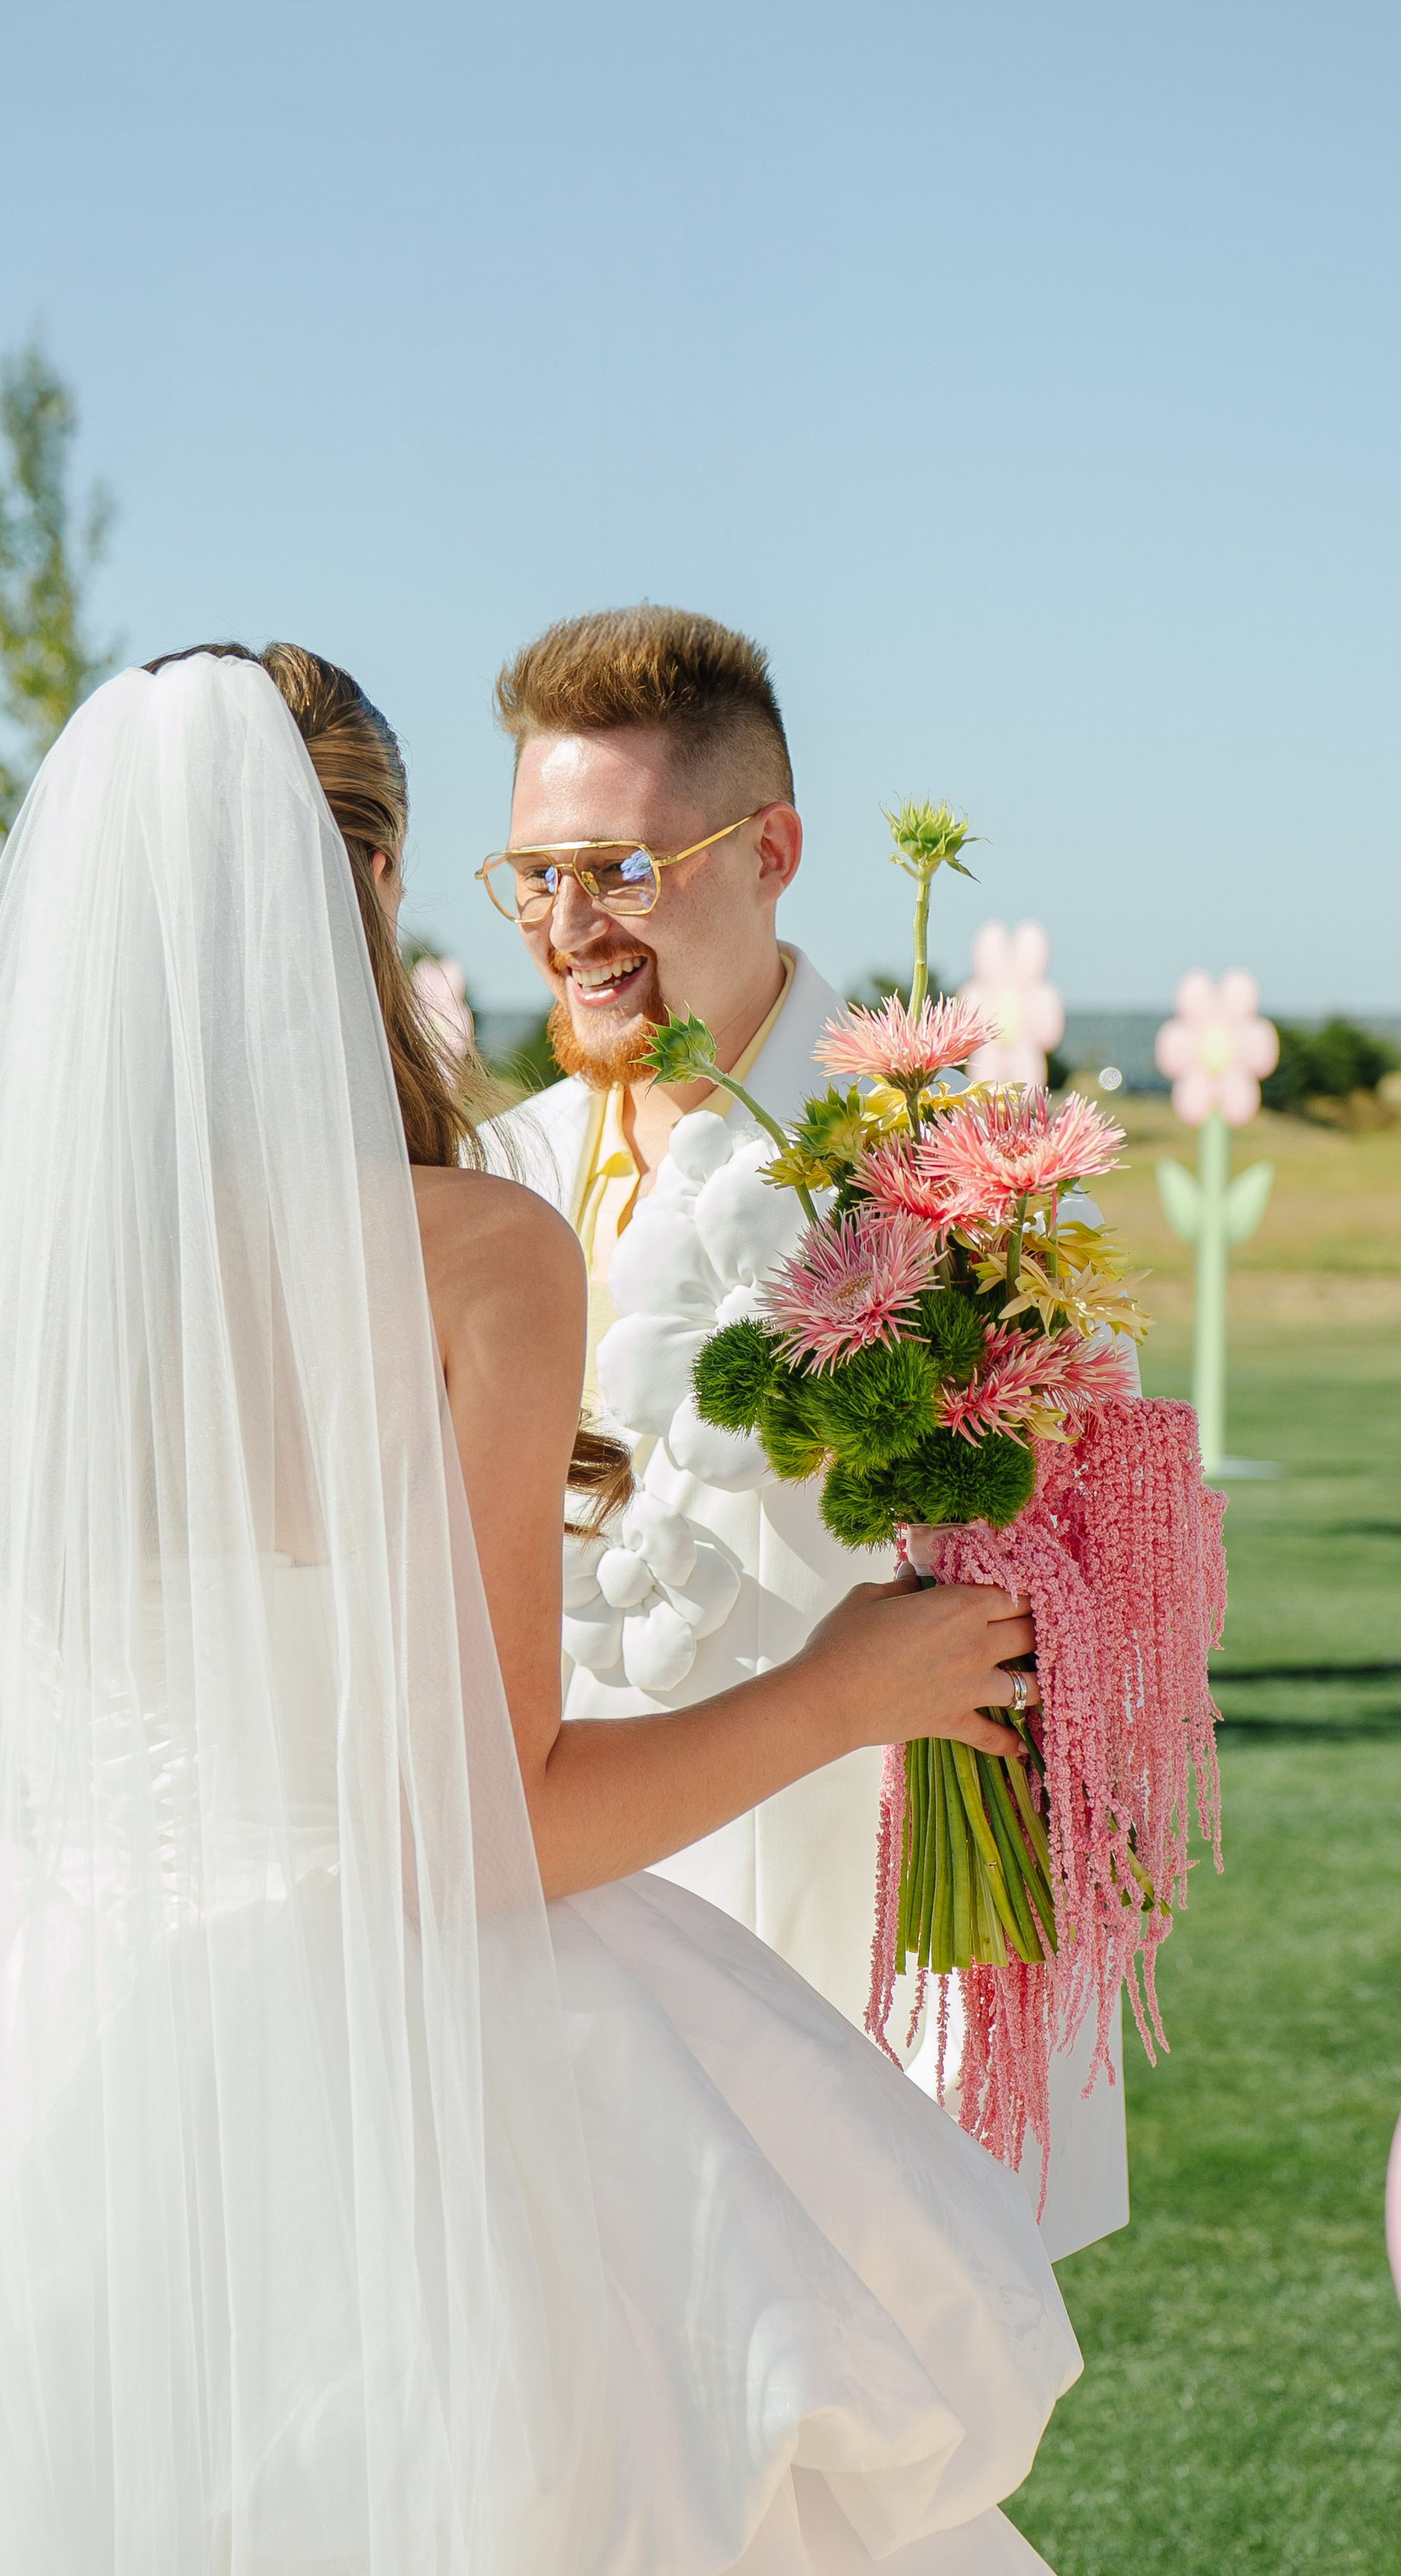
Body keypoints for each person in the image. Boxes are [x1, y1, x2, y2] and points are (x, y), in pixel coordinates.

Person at [0, 644, 1077, 2574]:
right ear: (354, 888)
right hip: (425, 2090)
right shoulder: (469, 1261)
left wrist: (7, 1997)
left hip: (17, 2054)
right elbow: (486, 1834)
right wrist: (853, 1687)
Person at [484, 606, 1126, 2259]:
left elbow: (1068, 1606)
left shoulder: (950, 1181)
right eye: (532, 876)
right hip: (547, 1973)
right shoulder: (487, 1178)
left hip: (854, 1975)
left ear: (768, 849)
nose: (568, 929)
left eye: (619, 870)